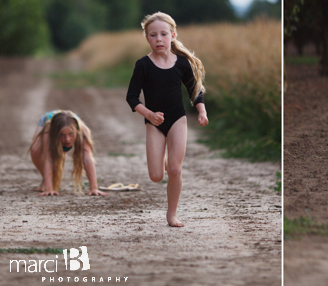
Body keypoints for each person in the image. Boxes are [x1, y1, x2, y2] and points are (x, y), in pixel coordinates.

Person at [126, 12, 208, 227]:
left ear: (173, 35)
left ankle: (171, 215)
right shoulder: (143, 65)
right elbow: (132, 97)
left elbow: (195, 90)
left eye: (163, 34)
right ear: (147, 38)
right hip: (154, 123)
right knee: (155, 175)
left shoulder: (181, 63)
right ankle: (160, 158)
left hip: (177, 120)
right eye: (153, 35)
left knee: (174, 170)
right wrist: (149, 115)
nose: (159, 39)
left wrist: (202, 111)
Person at [29, 110, 108, 197]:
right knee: (35, 150)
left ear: (76, 132)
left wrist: (94, 188)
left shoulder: (83, 131)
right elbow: (49, 159)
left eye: (71, 134)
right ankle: (47, 179)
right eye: (62, 135)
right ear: (56, 134)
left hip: (71, 123)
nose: (67, 139)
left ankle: (49, 180)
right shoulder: (48, 130)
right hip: (48, 121)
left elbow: (87, 159)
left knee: (85, 152)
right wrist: (49, 189)